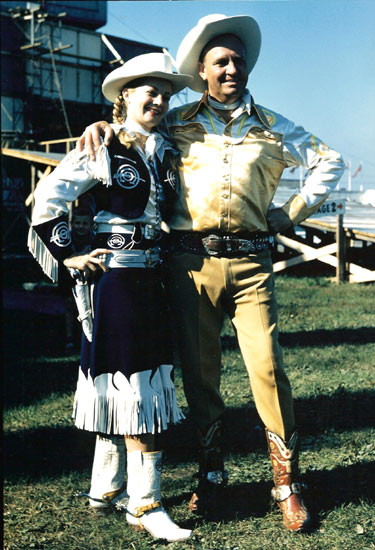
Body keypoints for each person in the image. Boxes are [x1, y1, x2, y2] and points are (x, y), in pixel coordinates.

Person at [77, 14, 345, 532]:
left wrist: (290, 213)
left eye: (238, 61)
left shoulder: (272, 125)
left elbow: (328, 161)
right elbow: (135, 127)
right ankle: (211, 475)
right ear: (201, 70)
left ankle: (286, 483)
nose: (231, 69)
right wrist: (104, 125)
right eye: (220, 61)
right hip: (189, 265)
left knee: (267, 370)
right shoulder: (177, 121)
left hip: (250, 265)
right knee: (201, 375)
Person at [28, 52, 193, 542]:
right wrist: (68, 255)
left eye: (165, 91)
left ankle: (105, 488)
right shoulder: (101, 146)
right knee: (134, 386)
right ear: (124, 95)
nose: (159, 99)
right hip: (115, 284)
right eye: (149, 89)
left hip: (153, 281)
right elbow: (48, 198)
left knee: (130, 381)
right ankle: (145, 504)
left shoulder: (166, 147)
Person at [59, 208, 94, 352]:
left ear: (91, 225)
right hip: (70, 276)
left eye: (85, 223)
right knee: (70, 306)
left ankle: (87, 335)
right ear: (71, 224)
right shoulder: (67, 238)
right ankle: (69, 337)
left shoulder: (94, 238)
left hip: (89, 275)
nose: (81, 226)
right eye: (78, 223)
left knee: (89, 305)